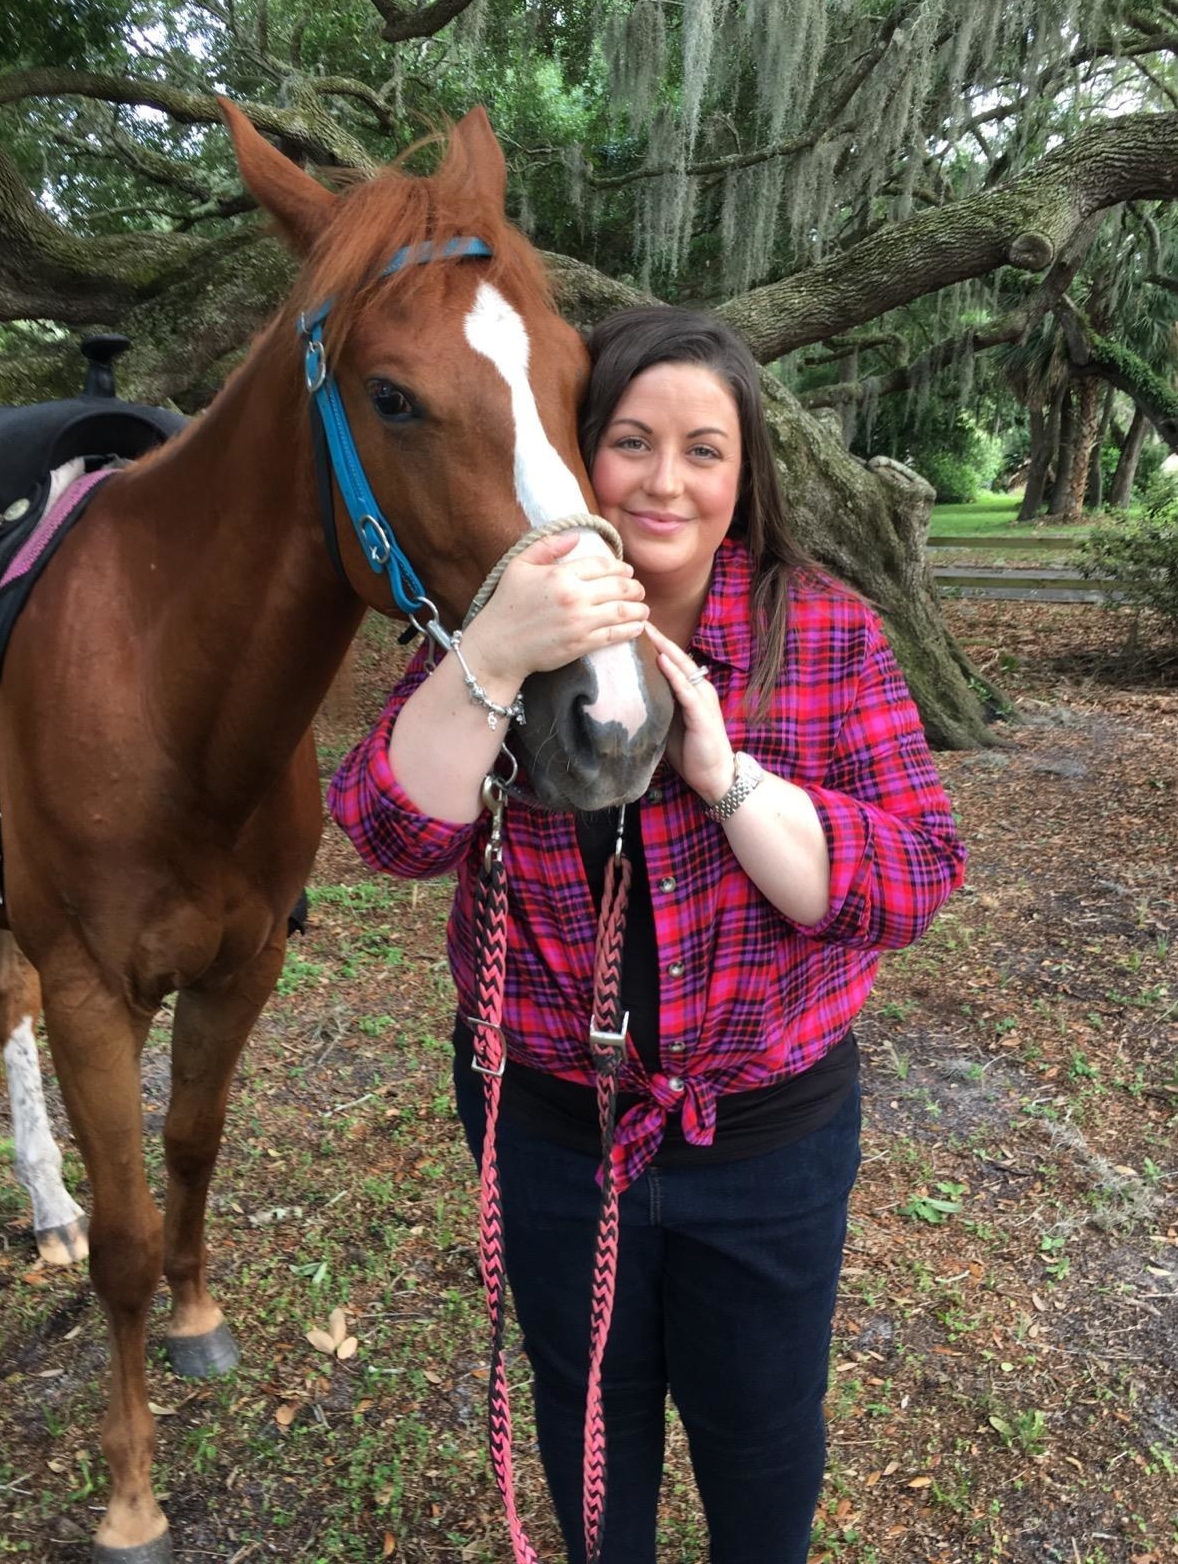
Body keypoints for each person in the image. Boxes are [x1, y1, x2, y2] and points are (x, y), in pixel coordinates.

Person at [328, 307, 966, 1564]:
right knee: (584, 1412)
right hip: (551, 1129)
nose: (665, 481)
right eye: (630, 441)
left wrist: (729, 778)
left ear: (746, 476)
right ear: (581, 457)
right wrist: (496, 656)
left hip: (767, 1137)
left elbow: (917, 878)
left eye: (705, 449)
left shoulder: (822, 633)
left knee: (763, 1424)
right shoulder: (490, 619)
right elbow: (388, 833)